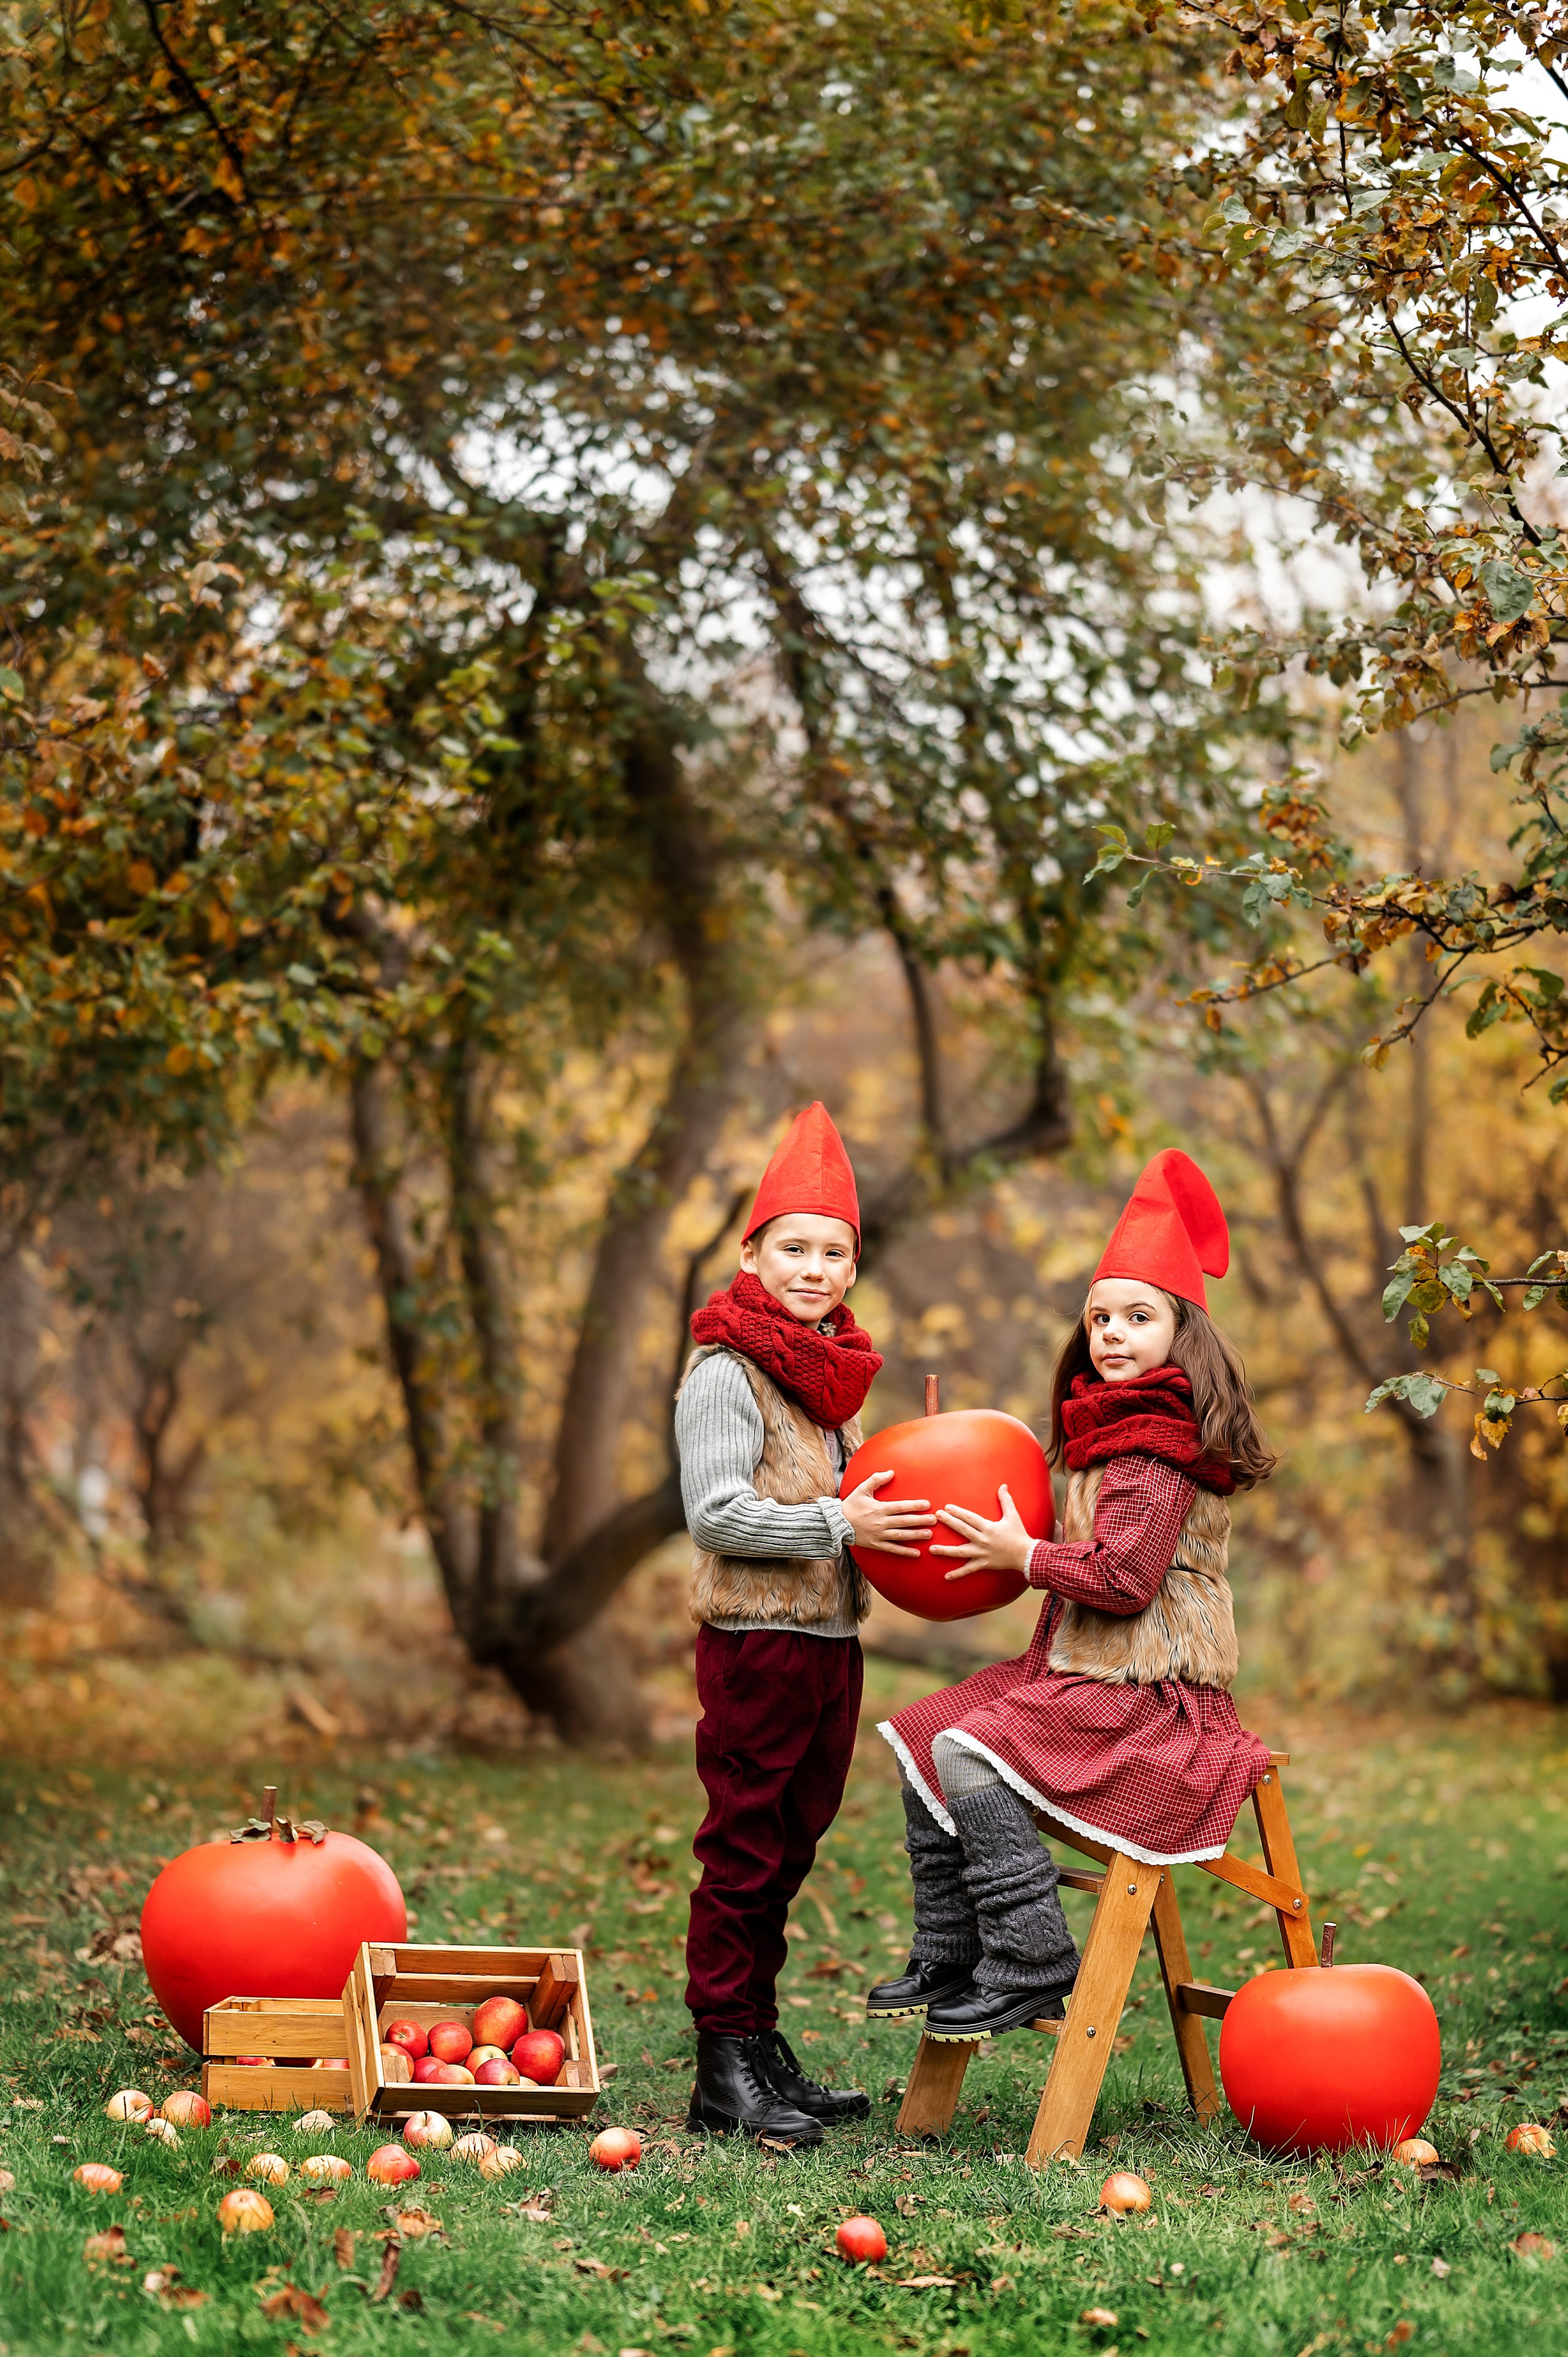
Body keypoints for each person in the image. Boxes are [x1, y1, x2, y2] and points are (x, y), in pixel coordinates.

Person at [869, 1148, 1276, 2041]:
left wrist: (1027, 1556)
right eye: (1100, 1319)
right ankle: (953, 1945)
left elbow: (1125, 1582)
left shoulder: (1158, 1448)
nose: (1113, 1334)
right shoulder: (1111, 1436)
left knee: (970, 1751)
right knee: (923, 1735)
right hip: (1089, 1676)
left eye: (1139, 1316)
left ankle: (1031, 1960)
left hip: (1155, 1698)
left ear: (1185, 1335)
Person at [676, 1101, 934, 2143]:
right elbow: (717, 1513)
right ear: (753, 1253)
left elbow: (858, 1509)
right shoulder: (727, 1371)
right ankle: (721, 2066)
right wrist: (841, 1522)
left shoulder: (833, 1381)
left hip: (829, 1642)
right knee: (743, 1847)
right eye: (794, 1248)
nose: (815, 1267)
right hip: (756, 1644)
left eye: (834, 1252)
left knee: (790, 1848)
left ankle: (758, 2044)